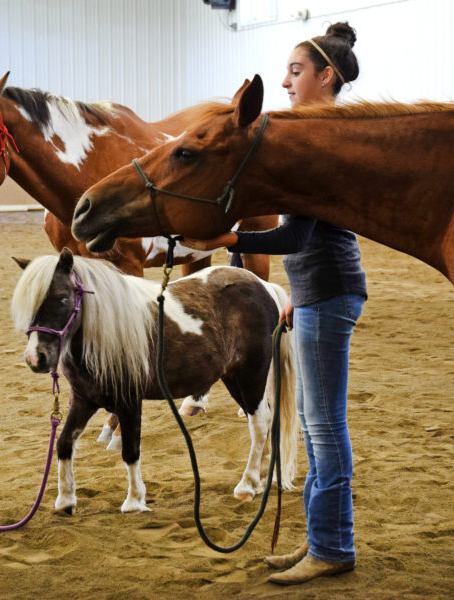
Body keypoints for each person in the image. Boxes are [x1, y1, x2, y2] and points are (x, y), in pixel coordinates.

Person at [183, 22, 366, 586]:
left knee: (324, 426)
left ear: (325, 76)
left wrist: (230, 241)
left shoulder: (325, 138)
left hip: (329, 289)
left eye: (296, 71)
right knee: (316, 426)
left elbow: (299, 238)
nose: (286, 82)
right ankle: (322, 539)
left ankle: (332, 546)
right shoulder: (317, 132)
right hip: (319, 293)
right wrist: (297, 302)